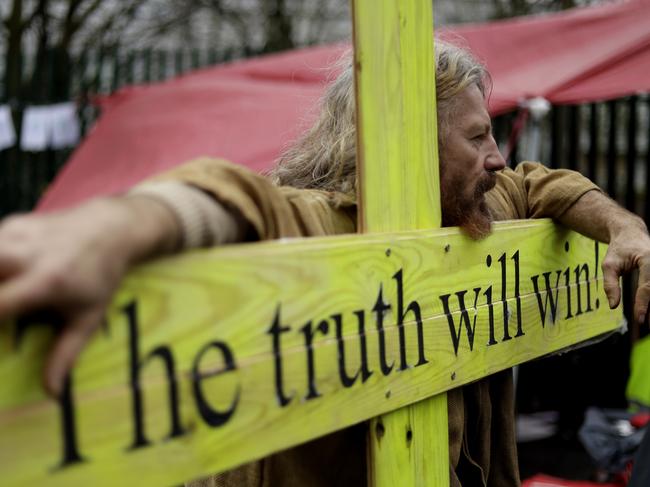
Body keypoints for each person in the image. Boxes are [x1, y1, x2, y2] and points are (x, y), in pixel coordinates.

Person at [0, 41, 649, 487]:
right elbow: (243, 205)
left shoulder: (473, 206)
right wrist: (118, 226)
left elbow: (540, 183)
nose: (496, 156)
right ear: (410, 141)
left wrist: (622, 224)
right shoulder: (326, 225)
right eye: (477, 136)